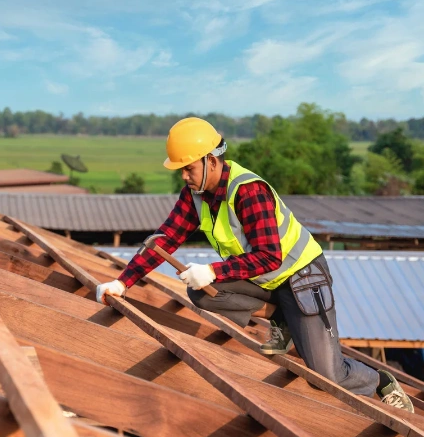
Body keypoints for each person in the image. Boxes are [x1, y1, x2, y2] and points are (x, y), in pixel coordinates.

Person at [96, 117, 414, 412]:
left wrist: (213, 270)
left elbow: (269, 257)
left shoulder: (247, 191)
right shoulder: (195, 194)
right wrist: (123, 282)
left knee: (326, 373)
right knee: (202, 293)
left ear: (210, 160)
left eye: (188, 168)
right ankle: (283, 321)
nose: (183, 175)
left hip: (302, 278)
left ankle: (380, 380)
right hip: (266, 281)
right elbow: (165, 239)